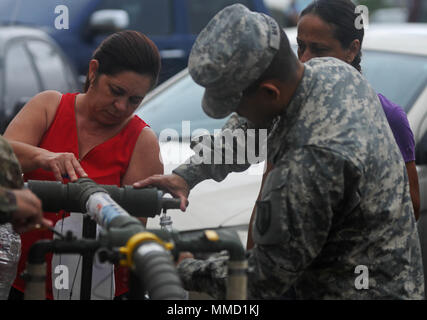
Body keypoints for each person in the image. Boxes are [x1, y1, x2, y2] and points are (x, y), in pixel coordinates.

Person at [134, 4, 424, 299]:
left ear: (270, 93)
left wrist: (183, 268)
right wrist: (187, 176)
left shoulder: (312, 161)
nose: (237, 113)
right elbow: (249, 132)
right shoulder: (332, 72)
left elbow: (263, 279)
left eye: (237, 105)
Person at [246, 0, 420, 250]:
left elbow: (411, 207)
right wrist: (247, 275)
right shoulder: (289, 112)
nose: (305, 59)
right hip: (293, 278)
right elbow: (264, 200)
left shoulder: (386, 116)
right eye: (301, 47)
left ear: (351, 49)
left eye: (318, 50)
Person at [4, 30, 163, 300]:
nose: (121, 106)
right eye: (116, 91)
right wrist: (44, 156)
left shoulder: (142, 141)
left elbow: (129, 234)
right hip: (27, 285)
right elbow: (4, 156)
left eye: (135, 100)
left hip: (101, 291)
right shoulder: (49, 106)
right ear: (93, 71)